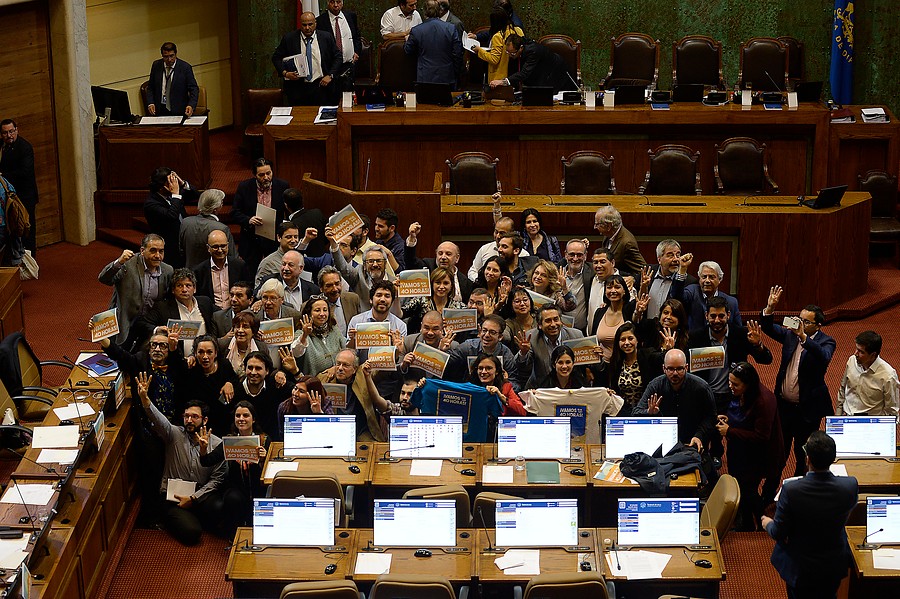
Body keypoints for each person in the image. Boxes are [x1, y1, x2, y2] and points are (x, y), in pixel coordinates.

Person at [761, 430, 858, 599]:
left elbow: (779, 532)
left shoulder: (791, 490)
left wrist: (767, 523)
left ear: (808, 459)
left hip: (800, 568)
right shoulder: (849, 486)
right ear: (833, 459)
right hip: (832, 566)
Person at [136, 373, 226, 546]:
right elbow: (157, 418)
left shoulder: (217, 443)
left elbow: (217, 480)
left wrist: (194, 499)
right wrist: (145, 400)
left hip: (199, 495)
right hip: (174, 498)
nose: (189, 420)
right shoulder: (174, 434)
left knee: (219, 508)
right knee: (192, 534)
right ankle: (175, 518)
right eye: (186, 416)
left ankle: (195, 515)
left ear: (204, 420)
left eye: (194, 417)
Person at [760, 285, 836, 485]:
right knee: (779, 453)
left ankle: (800, 491)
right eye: (799, 319)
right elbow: (767, 327)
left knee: (803, 455)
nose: (799, 323)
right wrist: (770, 308)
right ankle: (768, 493)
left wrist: (803, 337)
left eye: (805, 321)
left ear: (818, 325)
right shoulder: (789, 335)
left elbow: (823, 356)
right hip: (784, 406)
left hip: (807, 410)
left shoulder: (828, 342)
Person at [716, 362, 783, 531]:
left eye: (735, 384)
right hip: (741, 450)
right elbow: (744, 418)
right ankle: (746, 522)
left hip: (759, 456)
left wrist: (730, 431)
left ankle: (761, 522)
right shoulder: (745, 393)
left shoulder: (764, 401)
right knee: (741, 487)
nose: (730, 386)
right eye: (730, 382)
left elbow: (761, 436)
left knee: (747, 491)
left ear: (748, 384)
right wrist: (730, 421)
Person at [686, 296, 772, 416]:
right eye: (713, 316)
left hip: (734, 397)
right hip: (706, 395)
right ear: (706, 316)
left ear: (728, 315)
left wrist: (757, 345)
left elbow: (766, 360)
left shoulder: (741, 334)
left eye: (721, 316)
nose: (717, 320)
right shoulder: (695, 337)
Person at [198, 400, 269, 536]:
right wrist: (203, 449)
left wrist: (263, 460)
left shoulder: (265, 439)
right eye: (238, 416)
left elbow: (273, 468)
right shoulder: (230, 440)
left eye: (245, 415)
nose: (241, 419)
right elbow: (206, 461)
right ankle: (233, 536)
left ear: (253, 419)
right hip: (237, 489)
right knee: (233, 498)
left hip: (259, 488)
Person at [633, 349, 717, 452]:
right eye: (671, 369)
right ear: (664, 368)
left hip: (692, 442)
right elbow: (636, 413)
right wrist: (648, 412)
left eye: (679, 369)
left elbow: (711, 416)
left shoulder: (701, 387)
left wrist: (699, 435)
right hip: (663, 443)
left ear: (686, 367)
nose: (675, 373)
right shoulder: (655, 386)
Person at [98, 234, 172, 348]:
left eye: (161, 251)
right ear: (142, 250)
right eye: (153, 251)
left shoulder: (168, 270)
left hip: (148, 324)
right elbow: (104, 279)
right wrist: (119, 262)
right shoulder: (127, 264)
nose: (158, 255)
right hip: (125, 321)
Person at [231, 158, 290, 275]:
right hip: (251, 238)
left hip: (273, 238)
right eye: (261, 175)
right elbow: (234, 212)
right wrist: (248, 220)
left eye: (269, 173)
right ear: (255, 175)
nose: (266, 177)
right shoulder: (244, 187)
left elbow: (288, 211)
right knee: (250, 273)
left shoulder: (282, 186)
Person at [137, 268, 218, 353]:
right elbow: (141, 324)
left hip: (202, 360)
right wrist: (157, 329)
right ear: (173, 290)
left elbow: (220, 317)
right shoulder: (163, 307)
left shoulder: (205, 303)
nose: (184, 290)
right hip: (177, 359)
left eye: (188, 285)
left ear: (194, 289)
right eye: (179, 286)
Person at [272, 11, 342, 106]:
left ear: (315, 23)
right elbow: (276, 58)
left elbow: (338, 57)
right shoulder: (289, 38)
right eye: (304, 25)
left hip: (322, 87)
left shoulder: (326, 37)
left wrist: (330, 75)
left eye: (310, 24)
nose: (307, 28)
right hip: (298, 89)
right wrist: (285, 73)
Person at [317, 349, 385, 441]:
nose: (340, 368)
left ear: (354, 369)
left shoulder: (362, 375)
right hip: (333, 430)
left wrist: (394, 354)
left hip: (361, 430)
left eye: (346, 365)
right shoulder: (324, 378)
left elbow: (382, 372)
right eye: (338, 364)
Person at [178, 334, 240, 434]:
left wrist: (229, 383)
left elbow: (235, 381)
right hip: (196, 425)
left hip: (222, 422)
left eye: (209, 352)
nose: (205, 357)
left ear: (215, 353)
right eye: (201, 352)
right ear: (195, 354)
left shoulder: (224, 365)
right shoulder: (190, 369)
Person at [515, 304, 584, 389]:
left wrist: (596, 354)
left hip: (571, 387)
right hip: (540, 388)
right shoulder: (531, 338)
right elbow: (521, 368)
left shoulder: (576, 335)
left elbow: (586, 366)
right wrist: (523, 353)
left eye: (556, 319)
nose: (553, 324)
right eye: (548, 321)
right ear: (539, 325)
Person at [144, 167, 198, 268]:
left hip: (184, 242)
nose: (175, 184)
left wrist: (182, 183)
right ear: (162, 187)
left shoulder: (172, 194)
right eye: (171, 181)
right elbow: (171, 216)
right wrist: (176, 194)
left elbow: (195, 195)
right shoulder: (151, 204)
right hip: (170, 248)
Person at [232, 350, 293, 439]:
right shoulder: (234, 390)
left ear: (267, 371)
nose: (253, 372)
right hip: (242, 444)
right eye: (250, 368)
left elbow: (301, 390)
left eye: (258, 368)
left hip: (273, 442)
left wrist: (295, 371)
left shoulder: (276, 385)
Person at [404, 224, 473, 303]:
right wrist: (412, 238)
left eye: (448, 254)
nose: (443, 257)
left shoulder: (465, 282)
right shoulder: (427, 266)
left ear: (457, 258)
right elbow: (410, 261)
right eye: (440, 253)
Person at [837, 330, 899, 416]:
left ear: (873, 355)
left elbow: (891, 409)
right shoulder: (852, 361)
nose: (856, 354)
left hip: (871, 423)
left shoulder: (888, 375)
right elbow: (843, 388)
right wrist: (838, 414)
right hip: (847, 417)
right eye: (856, 349)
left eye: (861, 352)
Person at [449, 314, 519, 389]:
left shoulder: (506, 355)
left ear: (500, 337)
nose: (486, 335)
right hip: (470, 391)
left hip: (495, 394)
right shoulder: (468, 347)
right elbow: (446, 364)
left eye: (492, 332)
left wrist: (504, 383)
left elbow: (516, 384)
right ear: (479, 332)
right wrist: (442, 349)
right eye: (484, 330)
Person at [671, 256, 742, 330]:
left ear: (719, 279)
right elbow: (676, 297)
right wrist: (682, 269)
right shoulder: (692, 292)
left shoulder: (731, 302)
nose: (707, 280)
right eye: (704, 277)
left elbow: (738, 330)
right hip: (693, 340)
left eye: (711, 277)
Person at [404, 0, 463, 88]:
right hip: (447, 76)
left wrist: (407, 40)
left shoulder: (416, 30)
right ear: (439, 11)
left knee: (425, 101)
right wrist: (455, 73)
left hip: (425, 77)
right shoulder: (451, 28)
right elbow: (457, 53)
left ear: (425, 13)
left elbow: (408, 51)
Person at [0, 119, 38, 254]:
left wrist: (3, 175)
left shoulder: (25, 147)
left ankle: (31, 261)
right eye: (5, 133)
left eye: (11, 131)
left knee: (27, 229)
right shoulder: (1, 146)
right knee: (11, 230)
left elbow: (25, 172)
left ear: (17, 130)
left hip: (25, 196)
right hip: (8, 196)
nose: (9, 135)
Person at [490, 34, 576, 93]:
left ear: (521, 48)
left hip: (556, 74)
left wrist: (502, 82)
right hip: (543, 74)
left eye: (512, 53)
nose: (510, 56)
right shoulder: (519, 46)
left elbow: (524, 73)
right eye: (507, 52)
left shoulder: (533, 51)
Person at [467, 204, 530, 282]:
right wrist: (483, 281)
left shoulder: (524, 254)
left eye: (502, 233)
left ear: (511, 233)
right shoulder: (485, 249)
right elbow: (472, 271)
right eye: (496, 232)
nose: (497, 236)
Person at [348, 280, 408, 360]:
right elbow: (349, 352)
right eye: (379, 295)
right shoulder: (356, 321)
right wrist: (352, 340)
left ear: (392, 301)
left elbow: (400, 358)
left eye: (387, 296)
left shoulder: (400, 326)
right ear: (371, 300)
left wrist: (397, 348)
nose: (382, 299)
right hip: (361, 369)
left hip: (388, 370)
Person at [639, 241, 697, 320]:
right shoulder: (648, 272)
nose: (676, 259)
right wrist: (631, 279)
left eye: (678, 255)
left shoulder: (688, 281)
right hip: (647, 328)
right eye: (670, 255)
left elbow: (680, 303)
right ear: (659, 259)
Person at [179, 188, 235, 269]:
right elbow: (232, 256)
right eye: (221, 202)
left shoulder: (185, 222)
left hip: (189, 272)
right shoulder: (222, 228)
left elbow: (181, 251)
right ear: (216, 208)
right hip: (211, 274)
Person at [192, 230, 248, 310]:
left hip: (236, 313)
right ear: (208, 248)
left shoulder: (239, 265)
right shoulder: (198, 271)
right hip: (211, 315)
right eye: (215, 247)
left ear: (228, 246)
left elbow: (248, 290)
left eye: (223, 246)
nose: (220, 250)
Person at [292, 295, 347, 377]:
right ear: (309, 314)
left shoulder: (334, 329)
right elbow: (295, 352)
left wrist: (335, 368)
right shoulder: (301, 333)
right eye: (317, 310)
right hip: (313, 383)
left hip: (338, 381)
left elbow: (345, 350)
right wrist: (305, 335)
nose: (322, 314)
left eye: (325, 310)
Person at [401, 266, 466, 333]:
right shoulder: (421, 301)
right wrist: (397, 294)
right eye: (438, 282)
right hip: (422, 341)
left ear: (451, 285)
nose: (441, 287)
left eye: (446, 283)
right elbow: (400, 314)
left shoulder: (459, 307)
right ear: (432, 284)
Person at [607, 322, 654, 413]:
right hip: (624, 411)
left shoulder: (648, 356)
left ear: (637, 340)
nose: (627, 343)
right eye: (623, 339)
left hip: (646, 411)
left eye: (630, 338)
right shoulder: (616, 362)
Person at [316, 0, 360, 91]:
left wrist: (356, 51)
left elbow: (357, 36)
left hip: (348, 66)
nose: (336, 5)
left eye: (338, 1)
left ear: (342, 2)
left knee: (347, 98)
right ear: (327, 2)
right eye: (332, 2)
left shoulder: (350, 16)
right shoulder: (320, 21)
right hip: (330, 68)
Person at [145, 42, 199, 117]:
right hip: (160, 109)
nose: (169, 59)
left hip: (179, 110)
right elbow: (150, 87)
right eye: (166, 57)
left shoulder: (185, 67)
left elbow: (194, 89)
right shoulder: (156, 65)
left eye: (171, 56)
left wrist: (191, 105)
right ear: (162, 56)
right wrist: (150, 103)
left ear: (176, 54)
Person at [470, 7, 522, 83]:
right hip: (514, 74)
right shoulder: (518, 30)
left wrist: (479, 50)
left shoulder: (498, 36)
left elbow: (494, 59)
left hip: (499, 77)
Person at [591, 274, 637, 361]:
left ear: (624, 291)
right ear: (605, 291)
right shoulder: (599, 312)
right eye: (609, 287)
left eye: (617, 287)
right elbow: (593, 340)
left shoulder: (630, 309)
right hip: (603, 366)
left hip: (625, 364)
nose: (613, 291)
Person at [593, 206, 646, 277]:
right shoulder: (608, 234)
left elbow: (643, 270)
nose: (595, 227)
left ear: (608, 226)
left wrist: (633, 279)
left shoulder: (627, 243)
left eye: (597, 224)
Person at [276, 376, 332, 441]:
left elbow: (330, 434)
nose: (295, 394)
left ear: (312, 394)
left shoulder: (325, 403)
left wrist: (319, 414)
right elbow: (283, 437)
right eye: (295, 388)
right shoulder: (284, 407)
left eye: (301, 391)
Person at [218, 311, 269, 381]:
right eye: (237, 326)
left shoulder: (261, 347)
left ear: (253, 331)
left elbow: (268, 370)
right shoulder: (222, 345)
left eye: (245, 327)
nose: (240, 330)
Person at [283, 187, 328, 257]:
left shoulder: (292, 226)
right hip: (323, 258)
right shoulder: (317, 213)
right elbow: (326, 237)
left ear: (286, 205)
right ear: (302, 201)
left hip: (305, 262)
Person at [255, 223, 300, 290]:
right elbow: (259, 290)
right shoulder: (268, 263)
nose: (293, 241)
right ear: (279, 238)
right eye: (289, 237)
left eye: (296, 237)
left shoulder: (301, 259)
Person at [318, 265, 359, 337]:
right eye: (329, 285)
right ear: (321, 288)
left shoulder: (352, 299)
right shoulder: (312, 305)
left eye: (337, 284)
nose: (335, 289)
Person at [561, 239, 593, 333]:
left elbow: (611, 270)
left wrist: (630, 278)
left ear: (585, 256)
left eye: (579, 255)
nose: (575, 259)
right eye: (572, 254)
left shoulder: (592, 272)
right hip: (559, 331)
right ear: (566, 255)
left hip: (583, 330)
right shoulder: (556, 273)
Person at [504, 287, 534, 351]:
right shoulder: (508, 323)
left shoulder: (539, 318)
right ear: (511, 305)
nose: (522, 304)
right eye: (517, 301)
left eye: (525, 300)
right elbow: (504, 336)